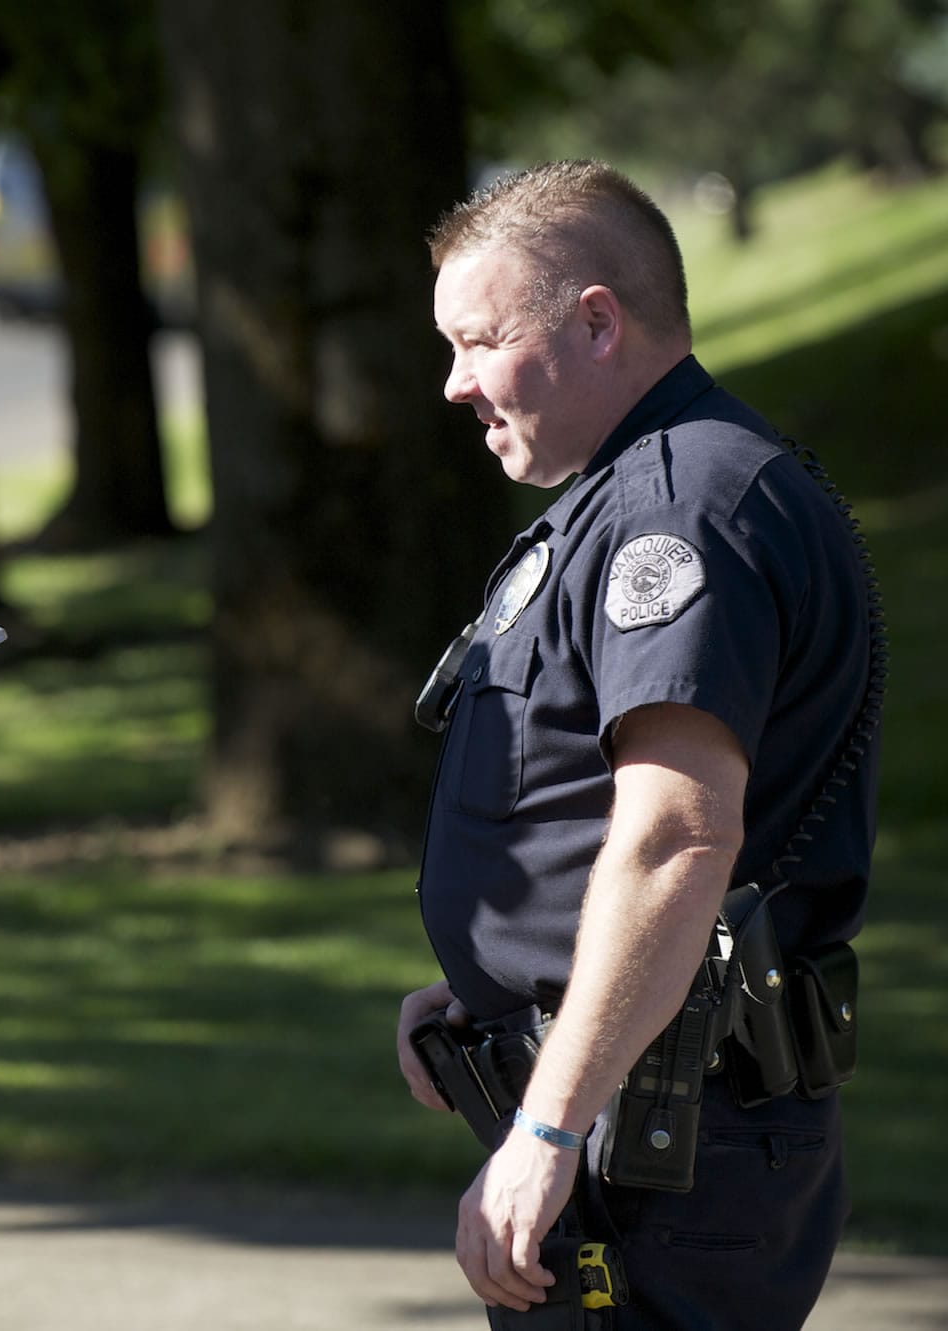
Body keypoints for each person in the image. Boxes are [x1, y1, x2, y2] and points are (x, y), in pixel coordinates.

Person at [395, 160, 880, 1329]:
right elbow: (584, 811)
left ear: (596, 322)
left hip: (657, 1142)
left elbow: (674, 836)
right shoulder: (648, 486)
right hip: (649, 1113)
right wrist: (489, 989)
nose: (454, 384)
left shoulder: (676, 511)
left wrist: (548, 1121)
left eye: (477, 341)